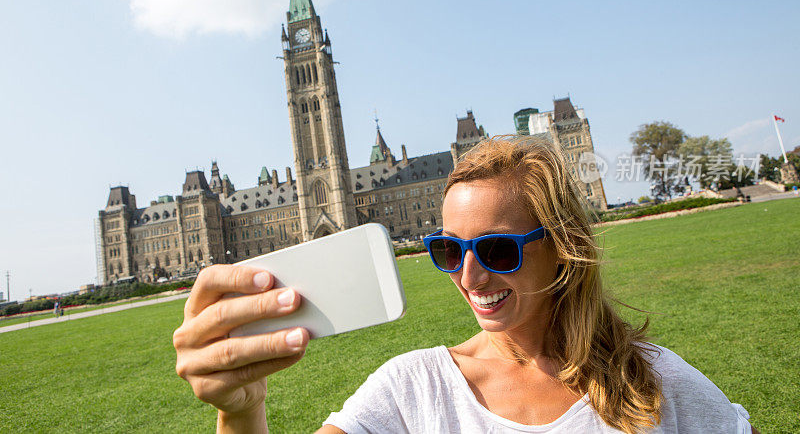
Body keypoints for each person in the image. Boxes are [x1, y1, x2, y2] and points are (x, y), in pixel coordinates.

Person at [173, 137, 758, 433]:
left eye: (497, 248)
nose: (470, 277)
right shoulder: (412, 391)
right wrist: (242, 414)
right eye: (448, 251)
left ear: (561, 245)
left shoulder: (654, 383)